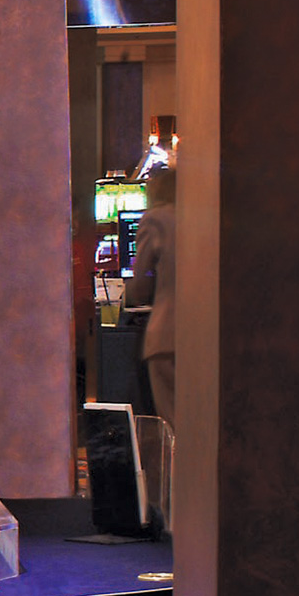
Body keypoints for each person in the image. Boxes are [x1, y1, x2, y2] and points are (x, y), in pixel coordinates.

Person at [124, 164, 177, 421]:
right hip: (206, 335)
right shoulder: (206, 217)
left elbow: (140, 286)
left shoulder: (156, 219)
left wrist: (128, 293)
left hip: (167, 333)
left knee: (172, 422)